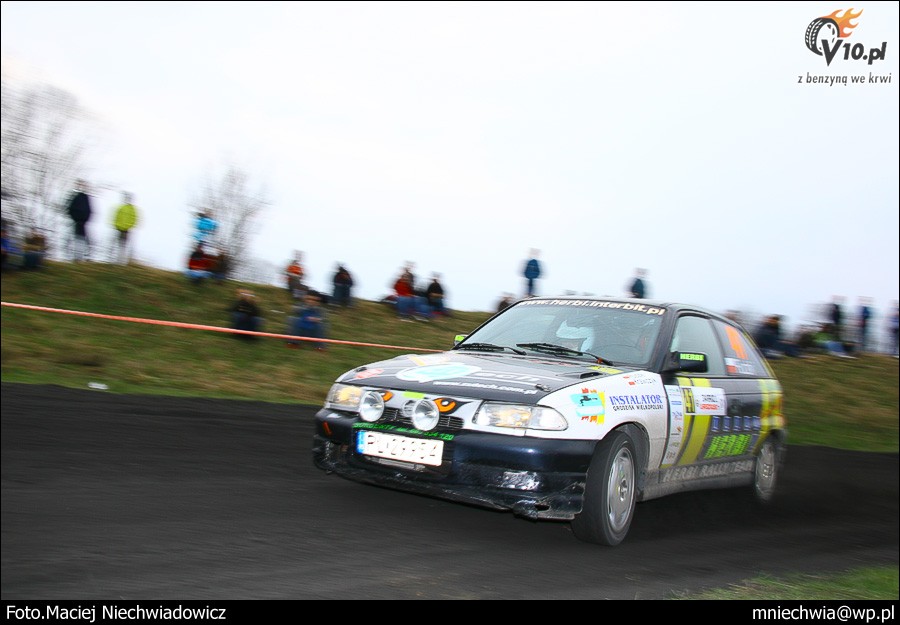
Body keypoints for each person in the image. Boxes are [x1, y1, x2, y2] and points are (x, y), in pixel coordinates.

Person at [65, 179, 93, 262]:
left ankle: (79, 257)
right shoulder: (76, 197)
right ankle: (76, 257)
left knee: (80, 239)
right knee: (77, 239)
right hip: (77, 222)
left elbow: (89, 210)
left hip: (81, 222)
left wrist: (84, 219)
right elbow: (70, 209)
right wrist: (76, 218)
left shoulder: (84, 197)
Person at [111, 192, 139, 265]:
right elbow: (116, 217)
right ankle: (115, 260)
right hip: (118, 229)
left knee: (123, 245)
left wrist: (128, 226)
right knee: (117, 244)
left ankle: (122, 261)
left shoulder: (132, 209)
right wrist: (116, 225)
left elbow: (134, 219)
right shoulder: (121, 207)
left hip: (126, 230)